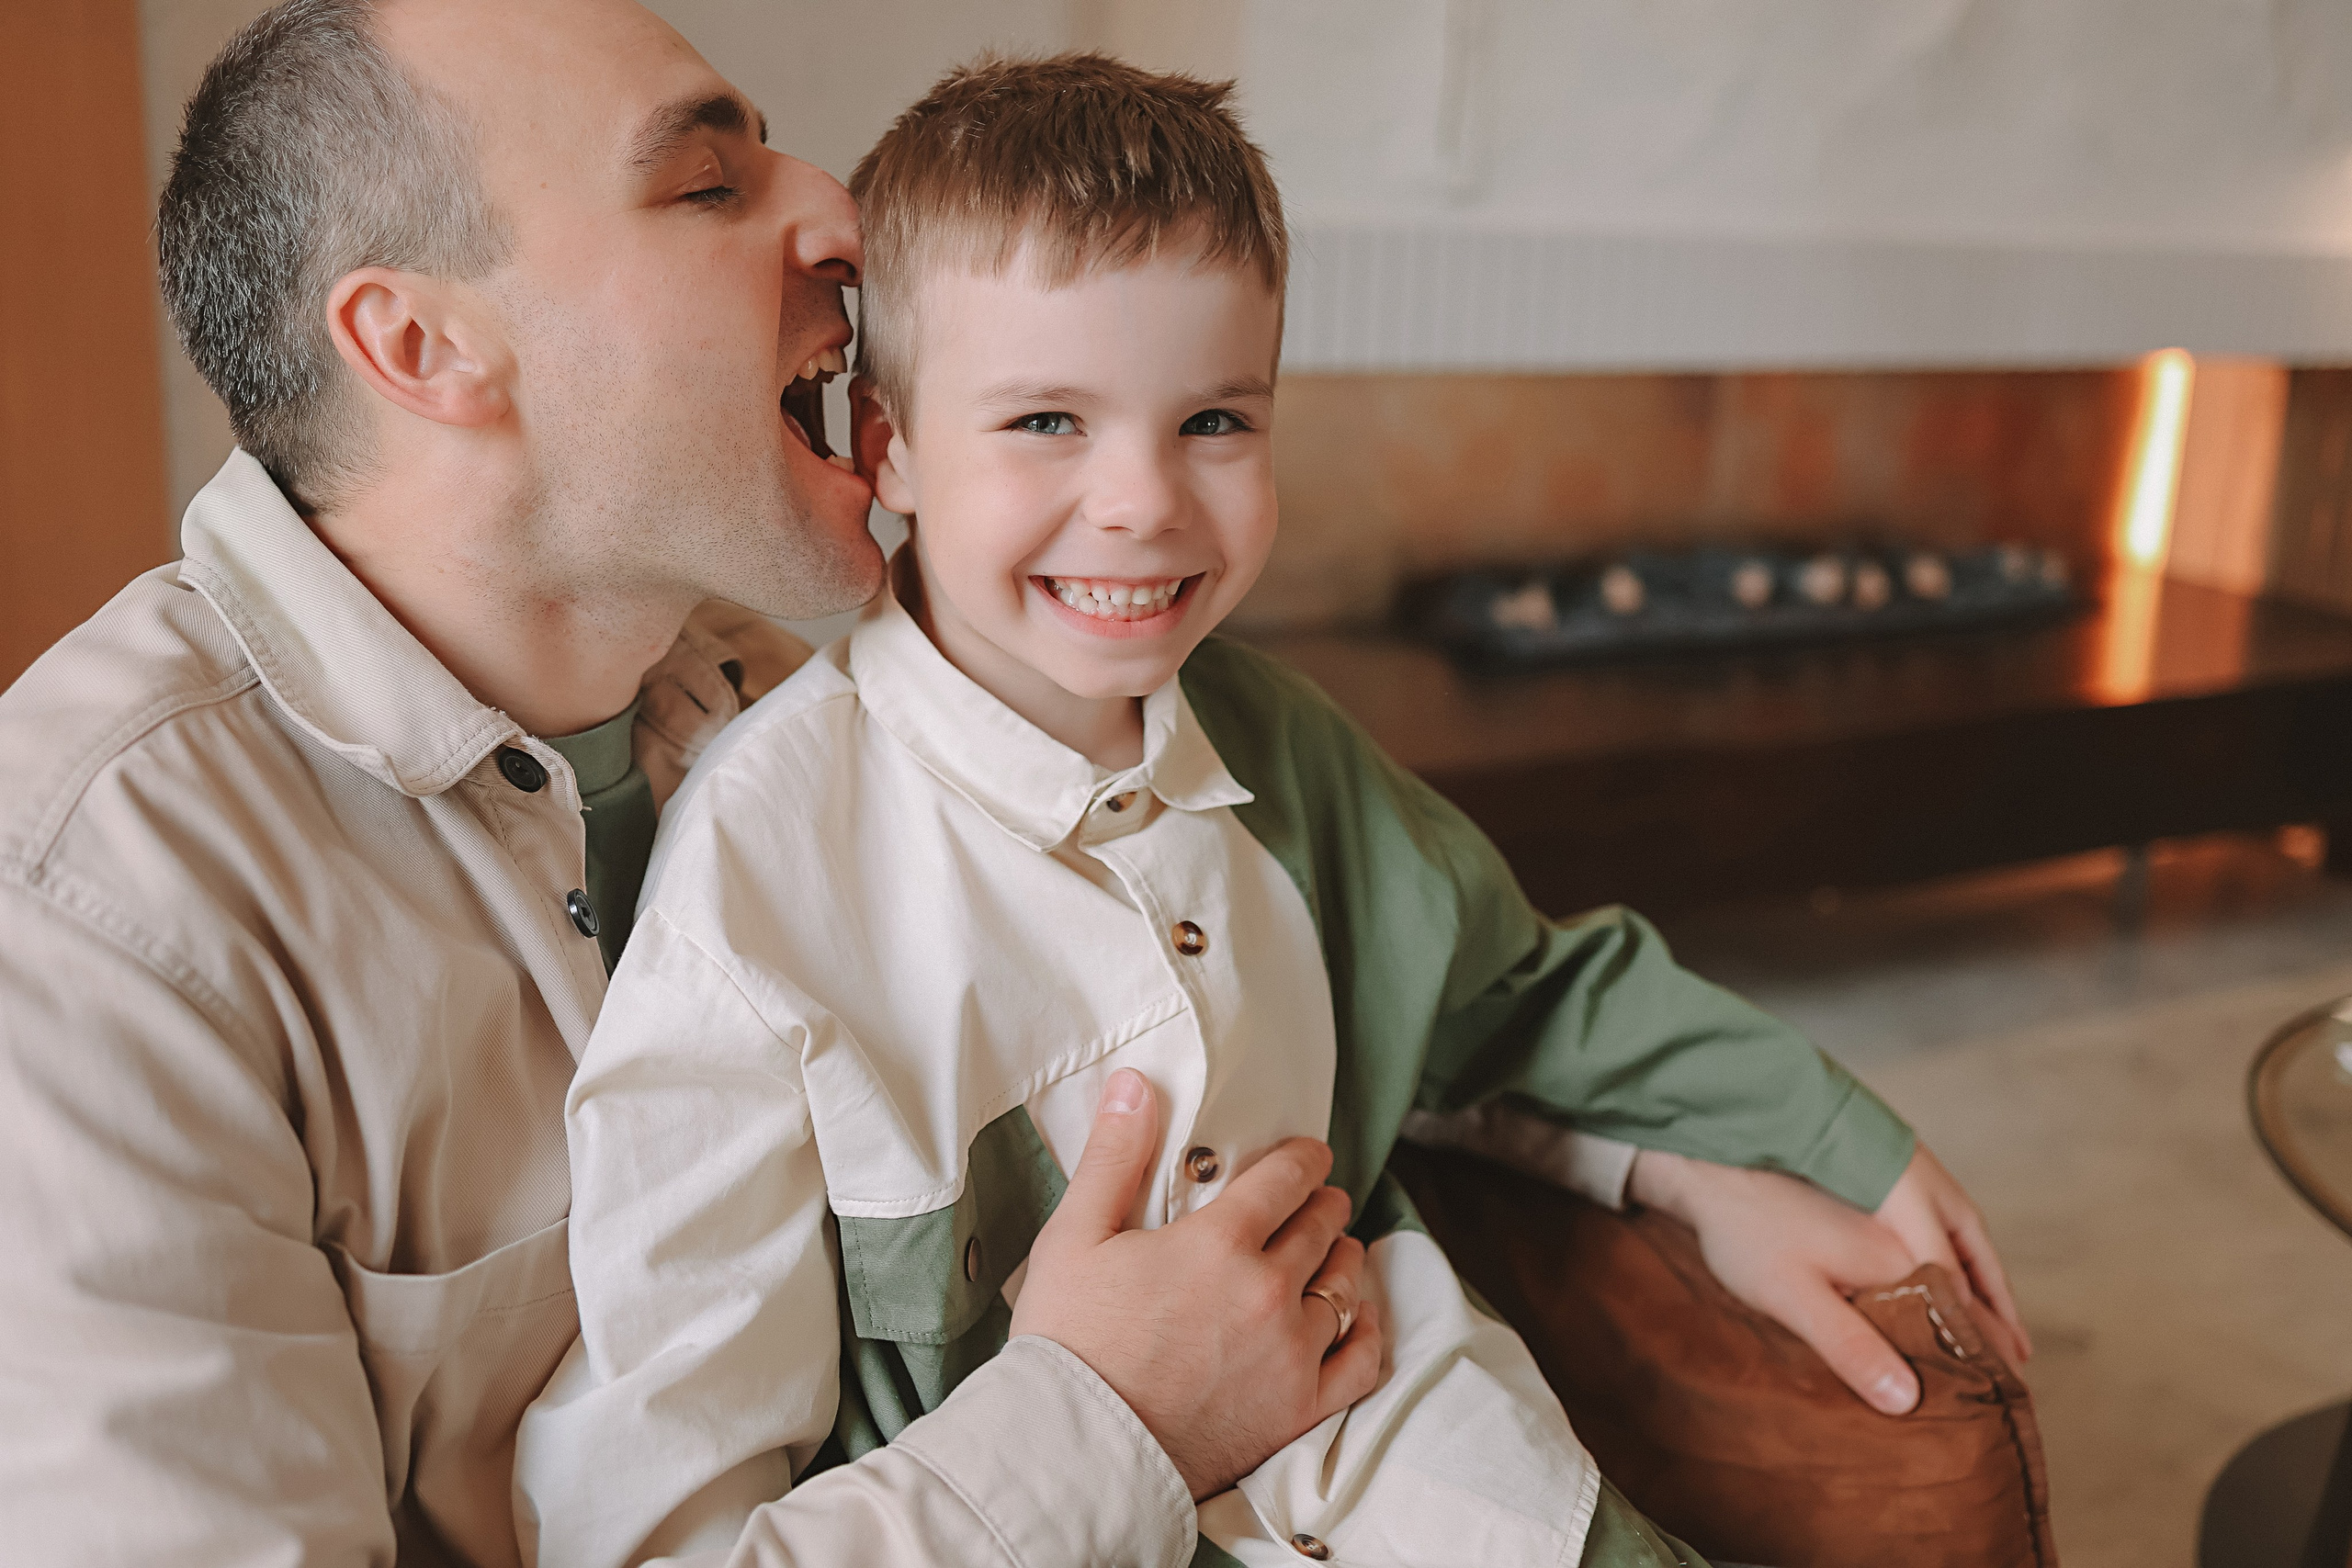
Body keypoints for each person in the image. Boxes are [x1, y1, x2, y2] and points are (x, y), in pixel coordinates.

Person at [521, 54, 2033, 1568]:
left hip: (1440, 1470)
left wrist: (1799, 1145)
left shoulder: (1281, 742)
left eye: (1213, 422)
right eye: (1045, 421)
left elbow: (1514, 992)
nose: (1144, 502)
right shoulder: (758, 895)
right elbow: (656, 1510)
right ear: (888, 446)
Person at [0, 4, 1399, 1564]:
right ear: (424, 347)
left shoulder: (811, 716)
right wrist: (1107, 1422)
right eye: (706, 186)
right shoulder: (87, 924)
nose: (842, 220)